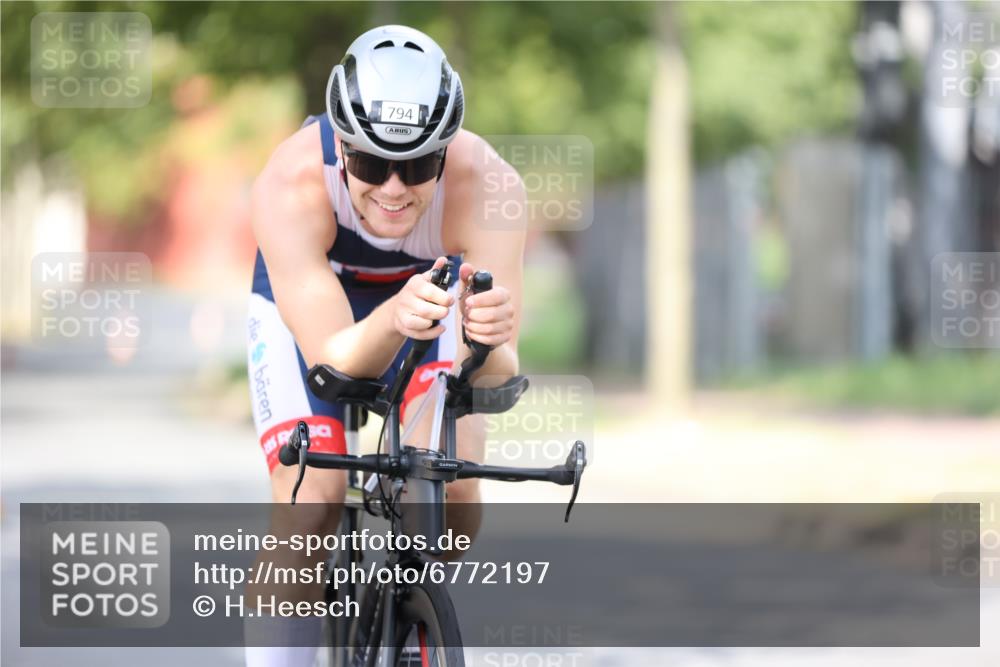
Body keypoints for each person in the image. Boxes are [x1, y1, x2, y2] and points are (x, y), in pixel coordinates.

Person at [245, 24, 525, 666]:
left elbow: (498, 376)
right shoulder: (290, 183)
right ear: (341, 145)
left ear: (446, 153)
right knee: (309, 500)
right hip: (321, 322)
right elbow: (331, 362)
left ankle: (411, 614)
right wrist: (395, 317)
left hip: (428, 307)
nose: (395, 190)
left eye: (420, 164)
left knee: (453, 488)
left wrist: (490, 344)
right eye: (371, 164)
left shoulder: (490, 187)